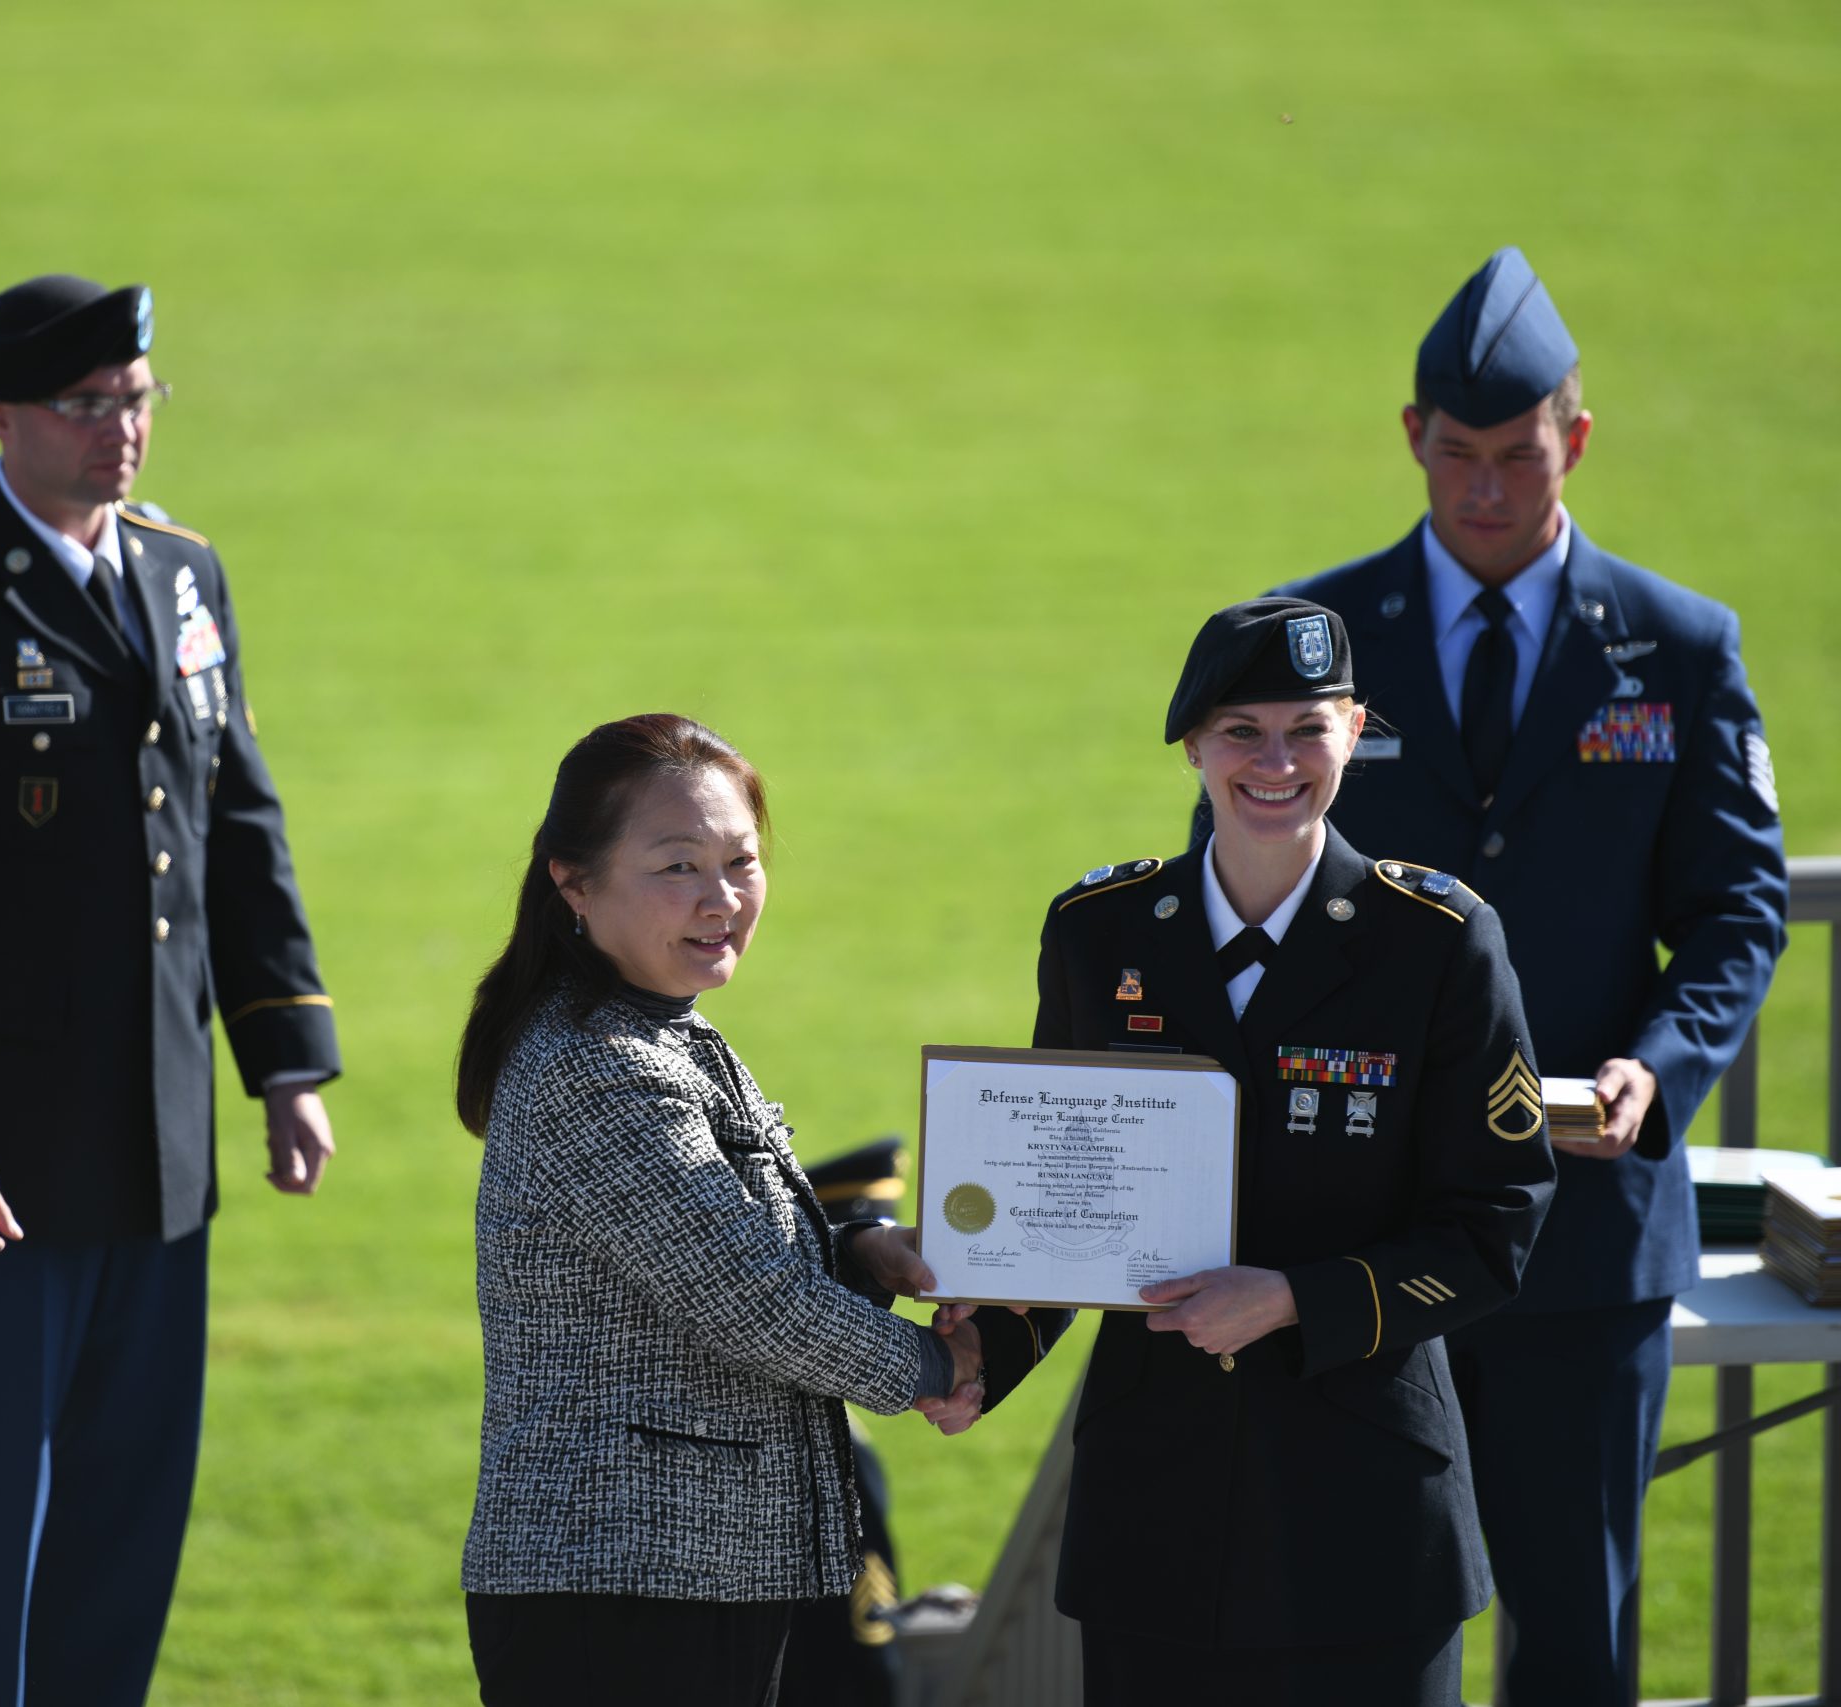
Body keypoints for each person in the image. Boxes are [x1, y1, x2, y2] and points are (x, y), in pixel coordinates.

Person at [0, 273, 342, 1705]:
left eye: (137, 397)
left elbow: (234, 820)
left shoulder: (183, 571)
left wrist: (286, 1056)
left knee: (120, 1533)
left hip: (159, 1159)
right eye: (84, 404)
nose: (121, 429)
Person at [1263, 248, 1789, 1704]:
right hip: (1370, 1224)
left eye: (1518, 456)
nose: (1485, 490)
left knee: (1572, 1639)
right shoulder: (1314, 641)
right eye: (1457, 454)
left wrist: (1657, 1070)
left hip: (1586, 1237)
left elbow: (1736, 911)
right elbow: (1249, 895)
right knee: (1366, 1636)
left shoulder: (1679, 647)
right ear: (1411, 437)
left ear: (1577, 439)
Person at [455, 714, 1067, 1707]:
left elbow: (714, 1254)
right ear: (575, 883)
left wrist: (863, 1251)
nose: (722, 899)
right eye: (677, 867)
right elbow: (750, 1302)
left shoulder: (659, 1031)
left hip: (679, 1577)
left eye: (740, 862)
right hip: (622, 1586)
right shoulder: (599, 1066)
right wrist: (939, 1364)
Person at [1030, 599, 1555, 1705]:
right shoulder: (1096, 932)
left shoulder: (1441, 943)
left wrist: (1289, 1300)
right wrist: (976, 1350)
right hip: (1153, 1520)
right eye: (1241, 731)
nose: (1275, 764)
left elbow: (1493, 1226)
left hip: (1367, 1522)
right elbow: (1060, 1198)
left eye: (1307, 729)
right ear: (1192, 744)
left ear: (1354, 732)